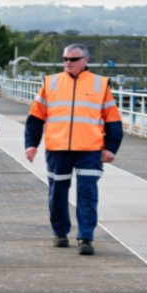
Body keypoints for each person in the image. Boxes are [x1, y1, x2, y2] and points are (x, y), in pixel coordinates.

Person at [24, 43, 123, 256]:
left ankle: (85, 237)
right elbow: (35, 117)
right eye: (65, 59)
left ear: (85, 60)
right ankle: (60, 233)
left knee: (87, 193)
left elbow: (113, 119)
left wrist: (111, 148)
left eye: (73, 59)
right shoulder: (51, 83)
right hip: (57, 148)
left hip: (89, 149)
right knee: (57, 193)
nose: (68, 62)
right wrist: (31, 144)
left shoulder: (100, 84)